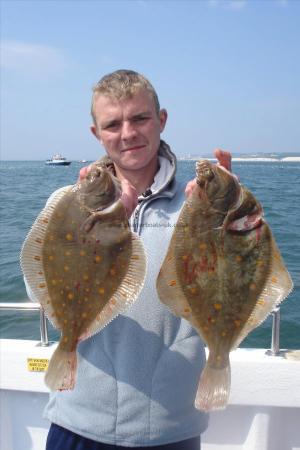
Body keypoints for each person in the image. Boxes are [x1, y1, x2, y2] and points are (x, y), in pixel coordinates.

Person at [39, 69, 232, 450]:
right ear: (97, 133)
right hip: (76, 422)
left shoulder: (199, 203)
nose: (128, 133)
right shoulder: (68, 204)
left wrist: (225, 214)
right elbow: (41, 291)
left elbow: (226, 292)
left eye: (140, 118)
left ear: (161, 121)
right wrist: (102, 230)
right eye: (113, 123)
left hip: (170, 428)